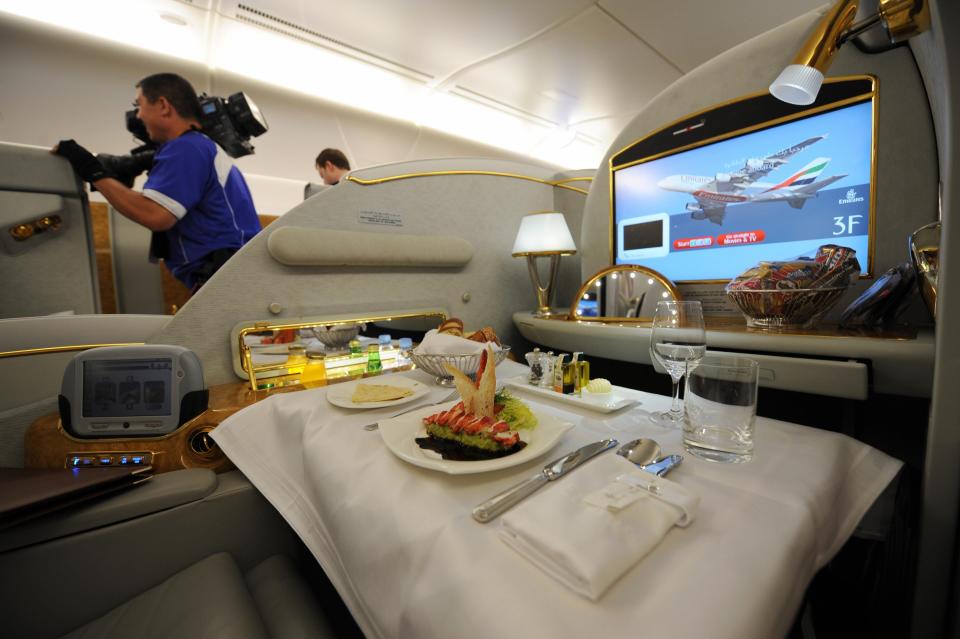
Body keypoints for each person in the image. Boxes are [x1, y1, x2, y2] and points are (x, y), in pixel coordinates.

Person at [53, 72, 261, 292]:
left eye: (139, 105)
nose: (139, 115)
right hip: (231, 276)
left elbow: (155, 215)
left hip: (225, 279)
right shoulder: (201, 147)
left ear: (163, 105)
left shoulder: (186, 148)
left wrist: (91, 170)